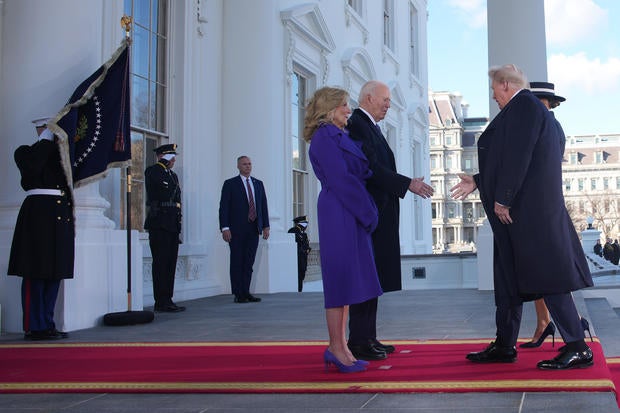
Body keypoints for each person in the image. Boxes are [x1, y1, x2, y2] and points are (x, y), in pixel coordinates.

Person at [450, 64, 594, 369]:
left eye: (493, 91)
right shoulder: (525, 110)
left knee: (549, 278)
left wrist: (504, 197)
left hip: (530, 215)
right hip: (522, 214)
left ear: (504, 85)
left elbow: (519, 156)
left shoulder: (525, 106)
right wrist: (478, 180)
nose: (494, 97)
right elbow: (510, 156)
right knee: (508, 280)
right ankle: (504, 345)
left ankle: (578, 346)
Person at [346, 80, 434, 361]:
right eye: (384, 99)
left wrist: (405, 183)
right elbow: (370, 167)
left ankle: (368, 337)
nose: (388, 104)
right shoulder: (358, 124)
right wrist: (407, 184)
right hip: (370, 215)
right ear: (369, 98)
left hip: (379, 214)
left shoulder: (370, 126)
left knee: (374, 278)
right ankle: (358, 340)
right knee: (366, 278)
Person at [304, 86, 382, 373]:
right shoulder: (325, 137)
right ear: (330, 108)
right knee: (338, 283)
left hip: (348, 209)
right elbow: (342, 180)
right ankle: (336, 348)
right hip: (340, 210)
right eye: (345, 105)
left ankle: (342, 346)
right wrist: (368, 212)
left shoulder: (337, 135)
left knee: (347, 282)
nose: (349, 110)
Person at [8, 117, 74, 340]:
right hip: (37, 217)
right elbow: (33, 169)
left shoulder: (60, 155)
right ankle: (34, 325)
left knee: (54, 272)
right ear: (40, 129)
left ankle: (47, 322)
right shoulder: (25, 152)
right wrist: (45, 141)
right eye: (49, 129)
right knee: (36, 272)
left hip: (59, 216)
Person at [519, 81, 565, 349]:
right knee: (543, 268)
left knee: (545, 269)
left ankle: (560, 322)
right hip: (545, 205)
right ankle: (546, 322)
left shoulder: (544, 125)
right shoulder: (551, 124)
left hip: (539, 207)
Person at [219, 156, 270, 303]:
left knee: (249, 261)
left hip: (253, 228)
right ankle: (238, 293)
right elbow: (224, 207)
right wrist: (225, 227)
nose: (248, 166)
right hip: (235, 229)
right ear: (238, 166)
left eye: (249, 164)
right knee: (237, 261)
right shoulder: (230, 184)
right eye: (244, 164)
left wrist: (266, 226)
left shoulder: (258, 184)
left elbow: (263, 206)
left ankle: (246, 291)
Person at [144, 144, 185, 313]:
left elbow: (177, 200)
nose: (174, 160)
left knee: (170, 262)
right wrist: (162, 163)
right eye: (171, 157)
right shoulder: (154, 171)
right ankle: (160, 300)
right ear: (163, 156)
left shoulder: (173, 176)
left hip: (172, 224)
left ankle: (168, 298)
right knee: (160, 263)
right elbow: (162, 192)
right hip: (159, 222)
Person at [288, 215, 311, 292]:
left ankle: (300, 291)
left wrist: (307, 249)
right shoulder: (292, 231)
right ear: (300, 224)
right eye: (305, 224)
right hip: (297, 259)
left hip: (303, 259)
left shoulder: (304, 234)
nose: (306, 226)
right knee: (297, 277)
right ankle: (298, 291)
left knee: (302, 276)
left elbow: (306, 245)